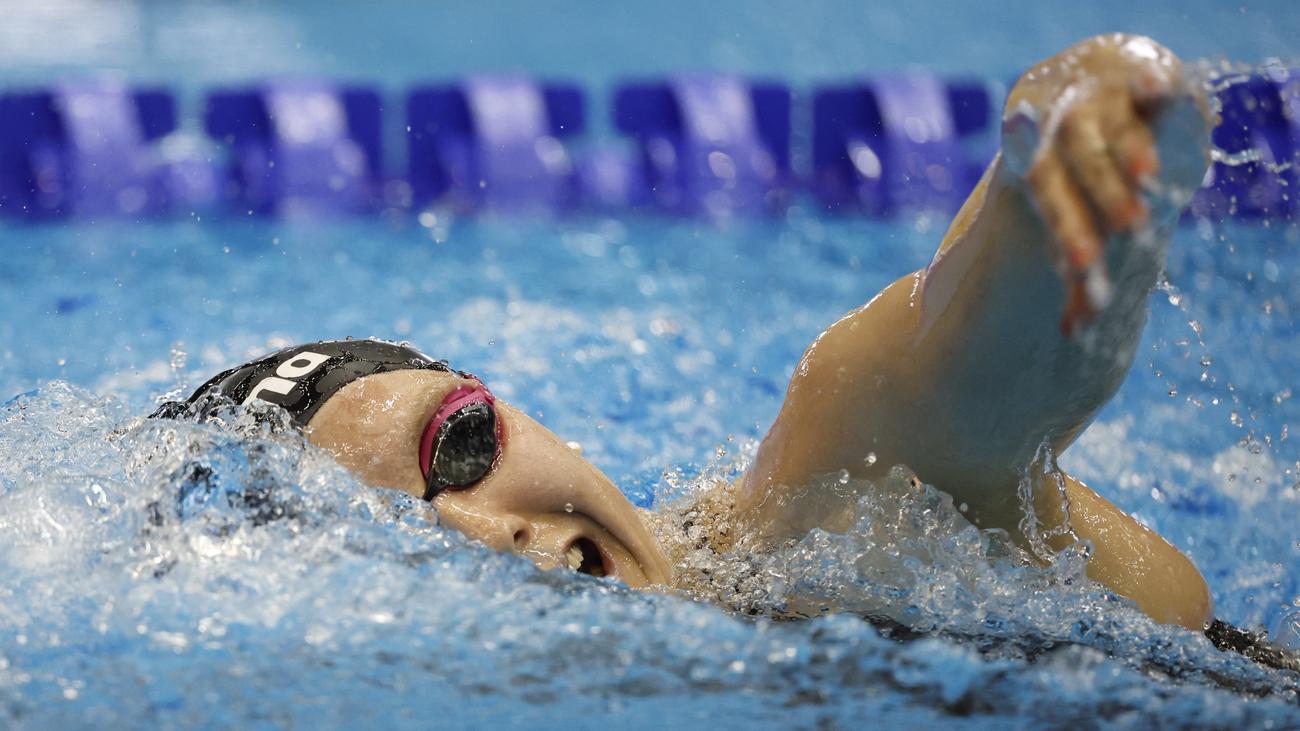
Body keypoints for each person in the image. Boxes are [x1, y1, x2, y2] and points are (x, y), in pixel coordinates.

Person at [155, 35, 1224, 638]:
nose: (489, 536)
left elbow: (984, 331)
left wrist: (1074, 121)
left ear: (517, 406)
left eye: (463, 445)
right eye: (378, 549)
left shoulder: (831, 508)